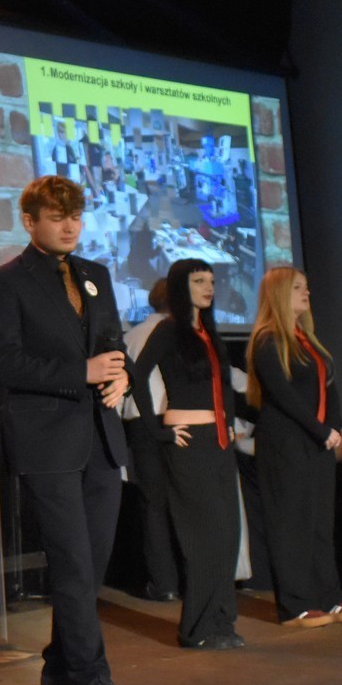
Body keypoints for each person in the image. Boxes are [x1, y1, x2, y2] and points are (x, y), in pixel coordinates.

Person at [0, 176, 132, 685]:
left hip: (102, 439)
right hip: (47, 443)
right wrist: (80, 372)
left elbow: (114, 344)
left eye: (76, 217)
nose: (70, 227)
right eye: (57, 217)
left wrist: (122, 375)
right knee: (72, 563)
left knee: (94, 564)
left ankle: (59, 667)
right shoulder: (6, 282)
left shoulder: (96, 275)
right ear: (29, 222)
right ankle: (91, 676)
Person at [133, 258, 244, 650]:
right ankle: (197, 628)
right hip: (189, 441)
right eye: (199, 281)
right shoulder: (169, 330)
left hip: (219, 441)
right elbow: (136, 375)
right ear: (182, 287)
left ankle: (221, 621)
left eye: (211, 280)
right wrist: (156, 429)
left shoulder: (208, 333)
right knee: (203, 536)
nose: (209, 287)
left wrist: (230, 423)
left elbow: (224, 386)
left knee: (227, 533)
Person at [245, 268, 342, 628]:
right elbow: (283, 395)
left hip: (317, 441)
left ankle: (329, 597)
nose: (306, 293)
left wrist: (335, 426)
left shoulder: (308, 340)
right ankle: (295, 605)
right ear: (280, 293)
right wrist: (319, 430)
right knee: (290, 523)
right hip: (286, 442)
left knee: (319, 524)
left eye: (307, 287)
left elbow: (330, 387)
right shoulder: (268, 340)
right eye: (298, 288)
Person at [119, 278, 179, 602]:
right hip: (180, 420)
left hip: (141, 424)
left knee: (153, 504)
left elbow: (121, 388)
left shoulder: (131, 336)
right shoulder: (185, 334)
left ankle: (164, 583)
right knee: (184, 501)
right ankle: (190, 578)